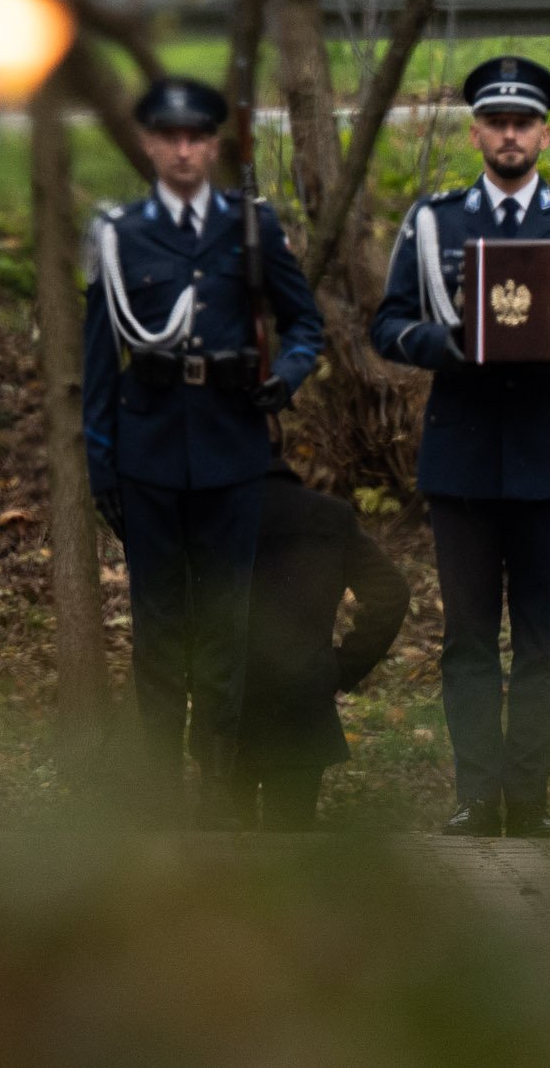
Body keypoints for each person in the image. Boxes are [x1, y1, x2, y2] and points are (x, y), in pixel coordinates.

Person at [369, 55, 550, 839]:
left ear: (544, 134)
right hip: (462, 456)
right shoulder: (436, 222)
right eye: (497, 121)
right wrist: (438, 344)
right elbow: (386, 323)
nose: (511, 134)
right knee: (466, 639)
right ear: (476, 132)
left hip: (546, 458)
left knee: (542, 643)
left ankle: (529, 798)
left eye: (524, 122)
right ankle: (474, 794)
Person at [83, 77, 326, 823]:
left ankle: (220, 799)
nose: (184, 149)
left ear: (214, 146)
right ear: (151, 144)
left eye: (197, 138)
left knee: (226, 625)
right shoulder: (119, 235)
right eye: (170, 136)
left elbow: (306, 325)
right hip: (149, 449)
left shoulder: (252, 226)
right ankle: (159, 802)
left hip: (230, 449)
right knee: (158, 630)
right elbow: (98, 357)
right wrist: (101, 460)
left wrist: (282, 380)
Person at [233, 458, 412, 830]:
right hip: (301, 704)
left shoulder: (211, 516)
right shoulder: (328, 516)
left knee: (217, 860)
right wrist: (342, 667)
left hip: (227, 701)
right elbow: (390, 593)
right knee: (293, 861)